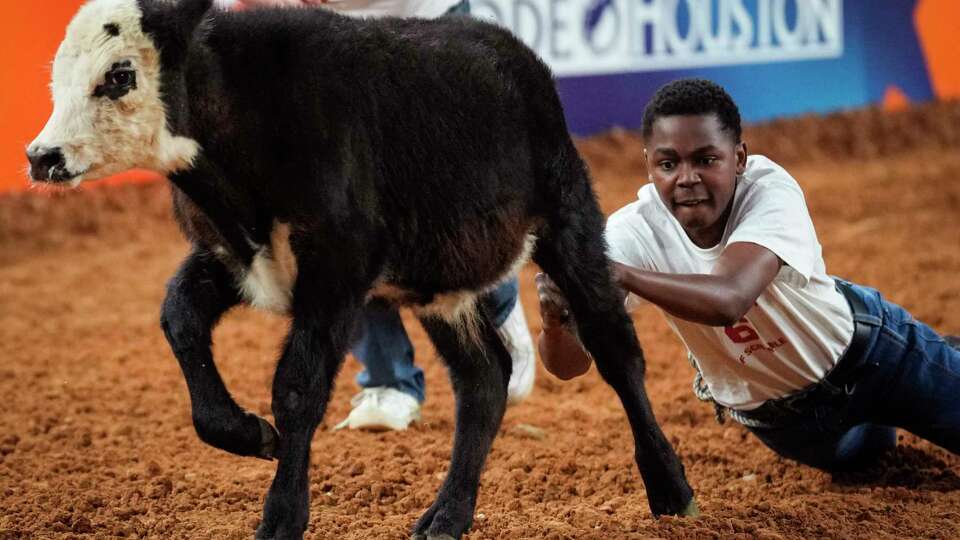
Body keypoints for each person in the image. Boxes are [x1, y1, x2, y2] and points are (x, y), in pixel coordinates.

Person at [537, 78, 960, 472]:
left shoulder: (767, 188)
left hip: (875, 360)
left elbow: (729, 299)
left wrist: (617, 275)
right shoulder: (631, 233)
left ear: (738, 158)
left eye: (706, 159)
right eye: (668, 163)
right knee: (869, 462)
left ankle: (940, 360)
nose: (686, 178)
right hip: (792, 429)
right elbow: (569, 367)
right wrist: (556, 324)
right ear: (648, 164)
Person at [229, 0, 537, 432]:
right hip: (329, 41)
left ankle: (495, 305)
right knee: (340, 211)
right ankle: (388, 380)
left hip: (429, 23)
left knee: (460, 190)